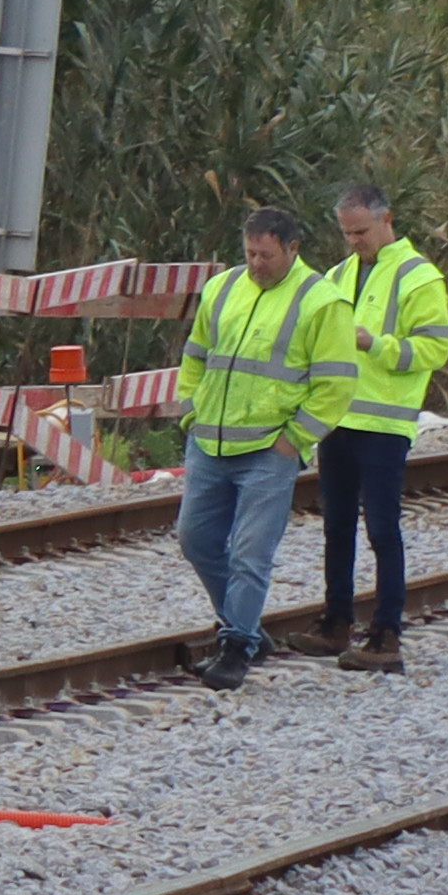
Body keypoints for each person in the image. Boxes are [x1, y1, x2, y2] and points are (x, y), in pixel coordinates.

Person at [298, 179, 448, 672]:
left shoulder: (418, 277)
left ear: (387, 221)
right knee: (337, 525)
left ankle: (387, 633)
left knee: (383, 527)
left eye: (361, 231)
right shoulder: (339, 274)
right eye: (346, 233)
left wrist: (377, 344)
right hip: (338, 419)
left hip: (385, 423)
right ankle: (336, 621)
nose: (354, 242)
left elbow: (435, 348)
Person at [172, 203, 324, 691]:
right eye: (250, 254)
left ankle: (236, 644)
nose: (256, 264)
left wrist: (295, 440)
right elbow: (196, 354)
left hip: (268, 450)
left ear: (292, 248)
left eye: (266, 255)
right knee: (195, 539)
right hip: (211, 442)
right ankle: (247, 629)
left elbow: (335, 383)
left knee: (250, 553)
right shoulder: (222, 288)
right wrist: (191, 412)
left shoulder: (320, 301)